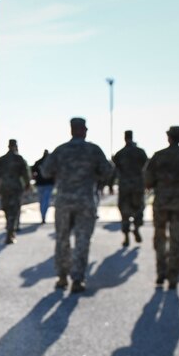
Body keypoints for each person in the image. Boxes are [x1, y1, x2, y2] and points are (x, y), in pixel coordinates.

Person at [40, 117, 113, 293]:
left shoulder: (61, 150)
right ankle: (78, 279)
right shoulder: (93, 150)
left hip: (64, 201)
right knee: (82, 240)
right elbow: (107, 171)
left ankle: (62, 276)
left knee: (62, 239)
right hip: (85, 202)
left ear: (71, 130)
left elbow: (45, 171)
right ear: (83, 130)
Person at [144, 125, 179, 290]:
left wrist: (158, 182)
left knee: (160, 237)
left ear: (169, 137)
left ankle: (161, 273)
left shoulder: (159, 156)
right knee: (177, 239)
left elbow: (148, 178)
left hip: (161, 201)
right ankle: (173, 276)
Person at [111, 130, 149, 247]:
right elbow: (146, 168)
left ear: (125, 138)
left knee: (124, 212)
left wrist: (111, 184)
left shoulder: (120, 153)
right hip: (138, 186)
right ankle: (136, 228)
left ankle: (126, 236)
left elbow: (115, 170)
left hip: (125, 186)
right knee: (138, 209)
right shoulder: (140, 152)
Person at [0, 139, 30, 244]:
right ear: (15, 146)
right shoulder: (19, 159)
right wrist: (27, 185)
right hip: (15, 187)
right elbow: (25, 173)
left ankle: (9, 228)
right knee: (14, 210)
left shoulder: (1, 159)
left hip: (4, 187)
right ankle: (10, 232)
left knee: (6, 208)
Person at [31, 149, 54, 223]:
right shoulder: (50, 163)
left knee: (41, 201)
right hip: (48, 184)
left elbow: (32, 171)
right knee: (46, 201)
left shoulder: (38, 162)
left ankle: (42, 216)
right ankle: (43, 216)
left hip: (40, 184)